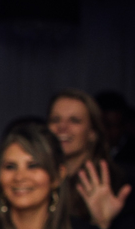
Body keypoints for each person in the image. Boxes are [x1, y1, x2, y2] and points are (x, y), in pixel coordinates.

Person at [47, 89, 117, 220]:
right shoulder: (38, 178)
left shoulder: (111, 181)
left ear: (92, 133)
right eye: (55, 119)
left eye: (74, 120)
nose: (62, 126)